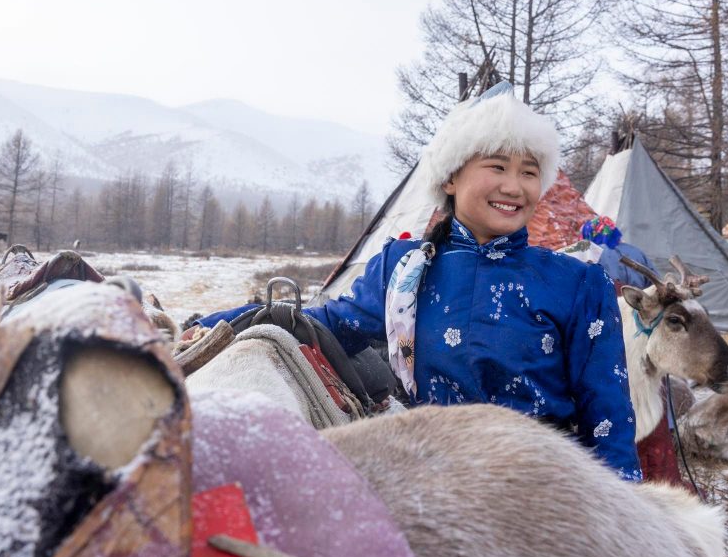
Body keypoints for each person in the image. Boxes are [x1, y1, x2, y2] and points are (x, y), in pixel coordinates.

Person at [197, 82, 642, 481]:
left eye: (529, 171)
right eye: (497, 166)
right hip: (428, 482)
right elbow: (327, 324)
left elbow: (609, 418)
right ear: (450, 176)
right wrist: (212, 325)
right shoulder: (405, 269)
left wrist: (624, 522)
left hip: (539, 490)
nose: (514, 186)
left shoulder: (577, 283)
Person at [580, 215, 658, 294]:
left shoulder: (593, 256)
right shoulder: (637, 252)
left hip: (610, 303)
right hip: (640, 302)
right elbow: (655, 284)